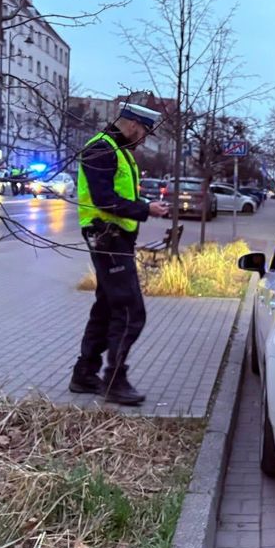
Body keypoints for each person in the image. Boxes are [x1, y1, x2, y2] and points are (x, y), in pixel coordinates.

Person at [70, 103, 170, 406]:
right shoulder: (101, 149)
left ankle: (85, 374)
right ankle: (114, 380)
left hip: (115, 238)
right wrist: (144, 208)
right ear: (132, 125)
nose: (143, 140)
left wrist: (142, 203)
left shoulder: (117, 150)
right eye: (143, 134)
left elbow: (119, 194)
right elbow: (104, 200)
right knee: (130, 311)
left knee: (106, 307)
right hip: (106, 236)